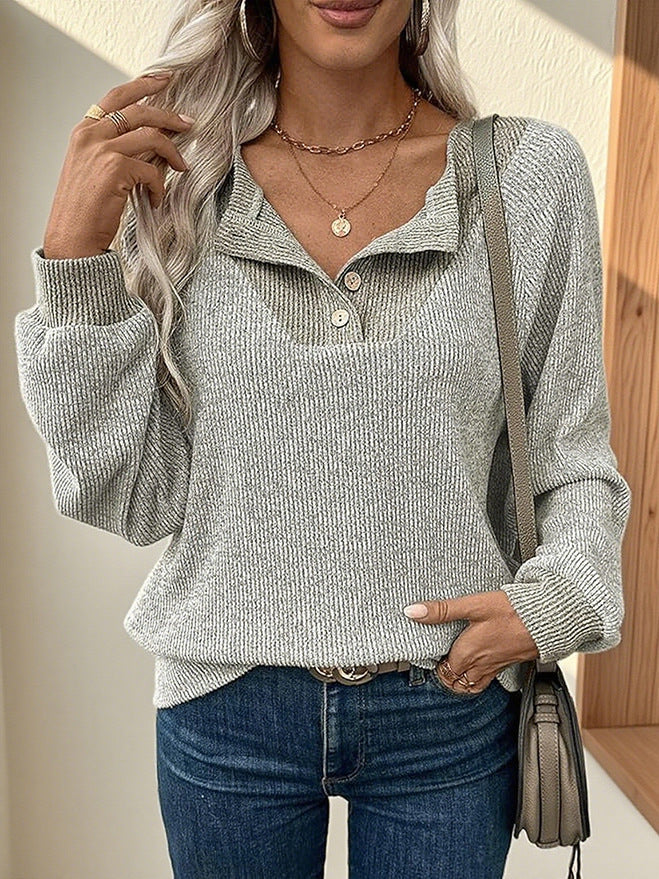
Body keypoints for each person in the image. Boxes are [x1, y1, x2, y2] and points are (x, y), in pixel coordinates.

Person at [13, 1, 632, 877]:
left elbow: (572, 454)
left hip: (448, 707)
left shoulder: (523, 178)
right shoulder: (184, 184)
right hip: (226, 710)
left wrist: (558, 599)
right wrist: (76, 257)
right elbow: (131, 498)